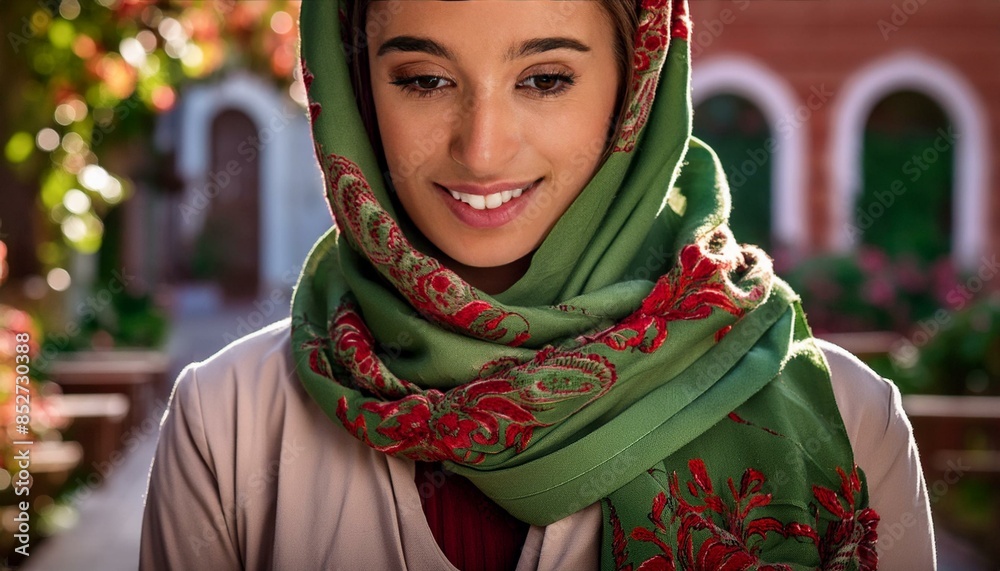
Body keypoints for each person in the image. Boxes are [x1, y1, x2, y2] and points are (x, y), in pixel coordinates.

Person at [140, 1, 937, 569]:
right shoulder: (230, 424)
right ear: (353, 90)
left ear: (637, 85)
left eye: (546, 78)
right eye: (423, 78)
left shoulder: (846, 421)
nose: (482, 150)